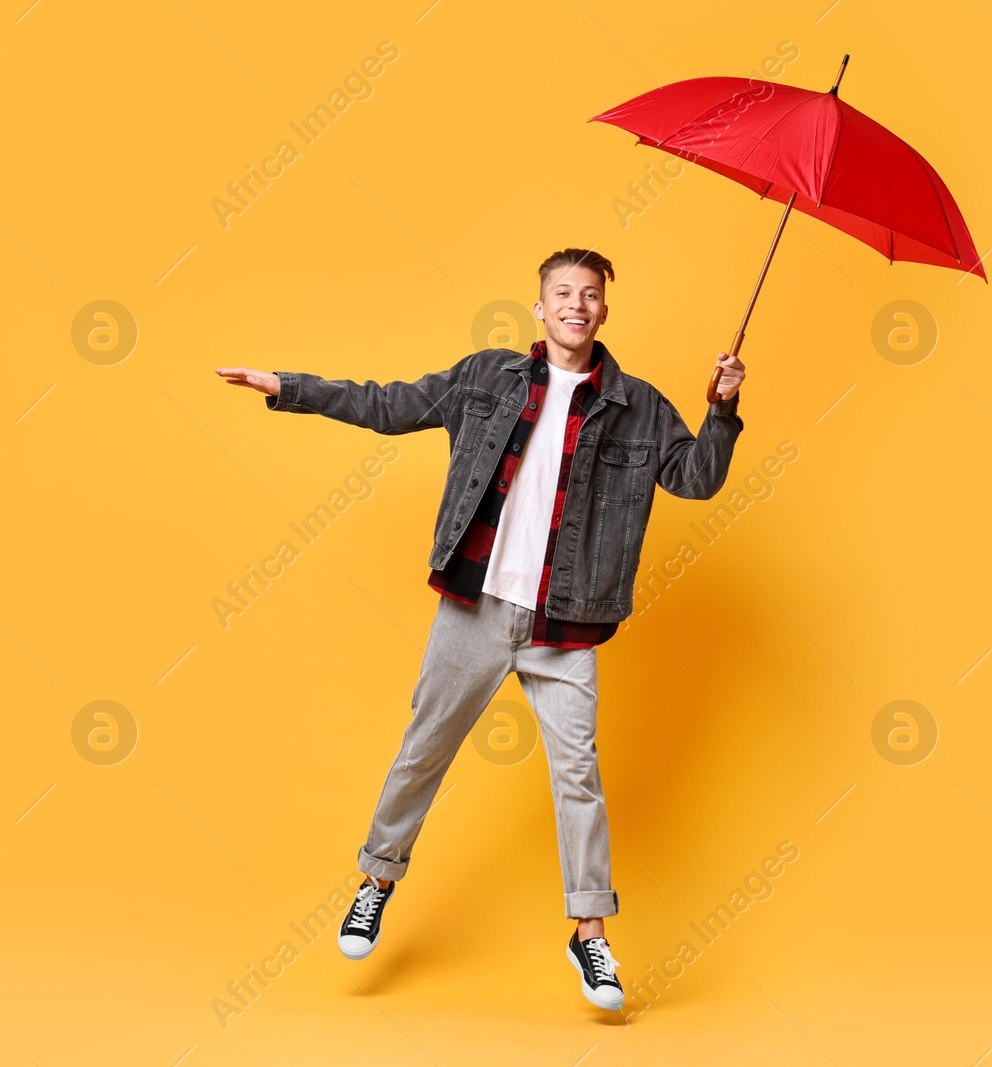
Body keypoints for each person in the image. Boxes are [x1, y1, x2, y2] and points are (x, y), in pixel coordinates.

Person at [214, 248, 745, 1012]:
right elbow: (389, 404)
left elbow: (696, 478)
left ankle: (589, 932)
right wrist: (288, 387)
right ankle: (377, 879)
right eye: (563, 292)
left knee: (578, 774)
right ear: (540, 306)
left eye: (590, 295)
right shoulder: (485, 379)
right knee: (424, 744)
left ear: (604, 310)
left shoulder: (640, 405)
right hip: (478, 604)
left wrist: (721, 408)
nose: (576, 304)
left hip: (567, 620)